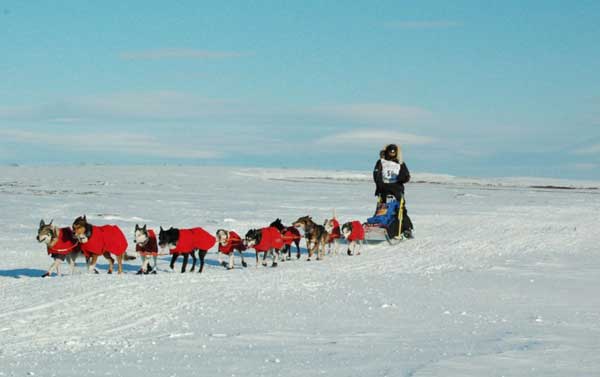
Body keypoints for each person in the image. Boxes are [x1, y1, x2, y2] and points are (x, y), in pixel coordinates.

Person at [372, 144, 414, 239]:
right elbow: (376, 175)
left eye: (393, 152)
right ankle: (377, 226)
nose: (392, 153)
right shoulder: (381, 162)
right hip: (383, 188)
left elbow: (406, 176)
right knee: (382, 209)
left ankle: (406, 229)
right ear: (387, 151)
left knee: (400, 209)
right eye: (390, 151)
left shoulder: (400, 163)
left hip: (396, 188)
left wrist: (401, 177)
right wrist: (379, 185)